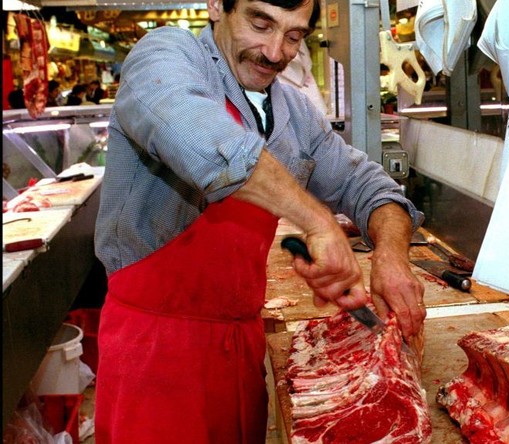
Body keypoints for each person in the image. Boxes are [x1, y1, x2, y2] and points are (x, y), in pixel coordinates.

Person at [92, 0, 426, 442]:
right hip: (155, 351)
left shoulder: (292, 111)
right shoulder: (165, 56)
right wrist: (317, 221)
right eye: (260, 24)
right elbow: (200, 137)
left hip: (240, 346)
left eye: (293, 36)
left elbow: (368, 185)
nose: (274, 52)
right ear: (217, 6)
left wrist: (392, 254)